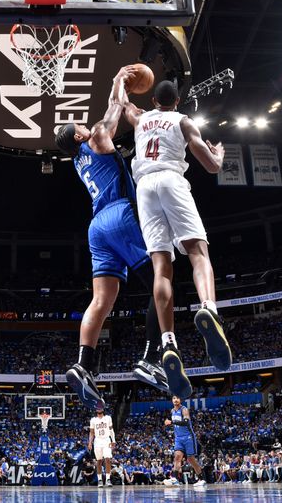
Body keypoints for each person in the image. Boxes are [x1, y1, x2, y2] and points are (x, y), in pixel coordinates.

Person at [56, 66, 168, 410]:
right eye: (79, 126)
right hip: (120, 214)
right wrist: (118, 80)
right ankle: (151, 357)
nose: (84, 124)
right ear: (78, 137)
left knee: (101, 300)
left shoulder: (78, 162)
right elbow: (113, 109)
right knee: (160, 282)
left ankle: (83, 364)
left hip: (96, 227)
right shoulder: (97, 138)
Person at [121, 80, 232, 397]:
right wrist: (219, 155)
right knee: (198, 253)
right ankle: (209, 309)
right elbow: (211, 167)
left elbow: (121, 102)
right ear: (178, 100)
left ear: (154, 99)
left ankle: (167, 341)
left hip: (144, 188)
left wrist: (122, 81)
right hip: (171, 179)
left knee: (161, 267)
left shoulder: (140, 119)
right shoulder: (183, 121)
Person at [164, 396, 206, 486]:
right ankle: (174, 479)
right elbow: (176, 425)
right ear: (172, 400)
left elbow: (186, 422)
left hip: (188, 437)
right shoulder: (172, 411)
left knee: (191, 459)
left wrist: (171, 422)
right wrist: (169, 423)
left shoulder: (184, 409)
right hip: (178, 438)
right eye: (174, 398)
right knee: (177, 457)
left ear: (181, 400)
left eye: (177, 398)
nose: (175, 400)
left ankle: (201, 479)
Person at [88, 408, 115, 487]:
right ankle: (100, 480)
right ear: (96, 410)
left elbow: (111, 430)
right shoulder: (93, 420)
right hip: (98, 441)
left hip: (106, 440)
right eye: (97, 408)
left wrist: (113, 440)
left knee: (107, 459)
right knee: (99, 461)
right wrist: (90, 443)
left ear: (103, 409)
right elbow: (91, 433)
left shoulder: (108, 418)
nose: (99, 409)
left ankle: (108, 479)